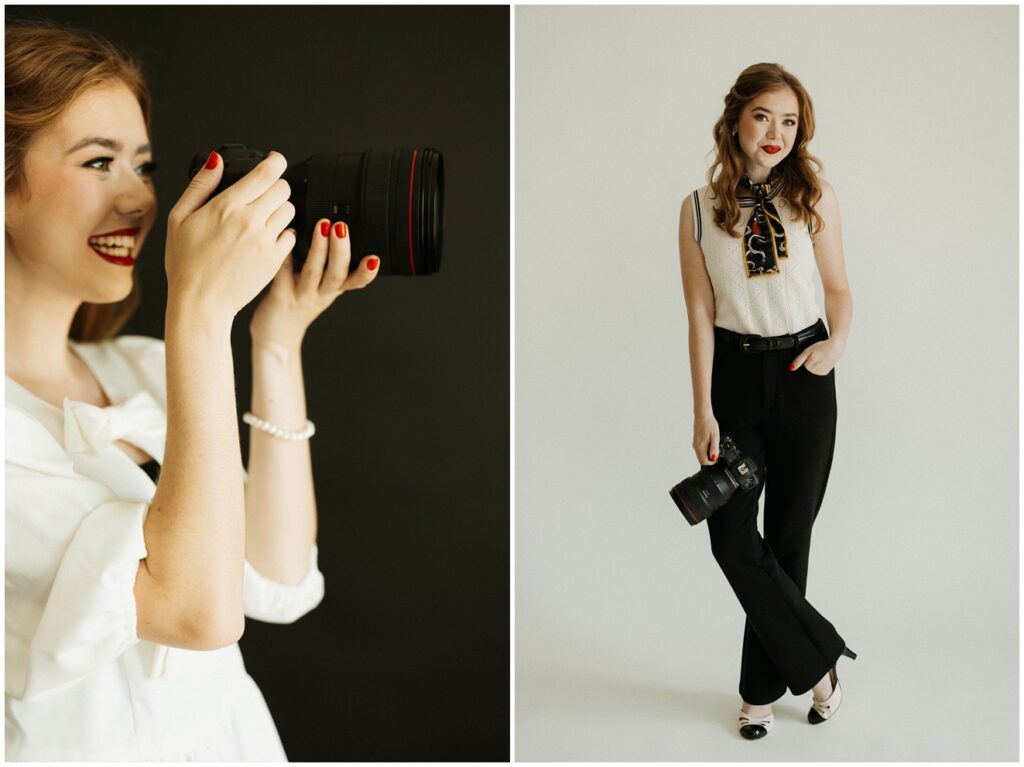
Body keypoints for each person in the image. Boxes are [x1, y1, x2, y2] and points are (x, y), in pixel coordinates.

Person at [5, 20, 379, 760]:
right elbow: (198, 612)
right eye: (98, 161)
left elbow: (276, 578)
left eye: (142, 165)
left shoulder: (142, 367)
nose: (139, 200)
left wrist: (275, 342)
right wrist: (202, 314)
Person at [676, 62, 856, 740]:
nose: (776, 132)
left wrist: (835, 345)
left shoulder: (816, 197)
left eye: (789, 121)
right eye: (763, 117)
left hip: (805, 370)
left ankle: (757, 692)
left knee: (785, 539)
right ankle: (819, 667)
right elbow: (698, 316)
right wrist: (702, 409)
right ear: (736, 120)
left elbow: (838, 287)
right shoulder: (696, 209)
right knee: (731, 537)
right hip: (735, 379)